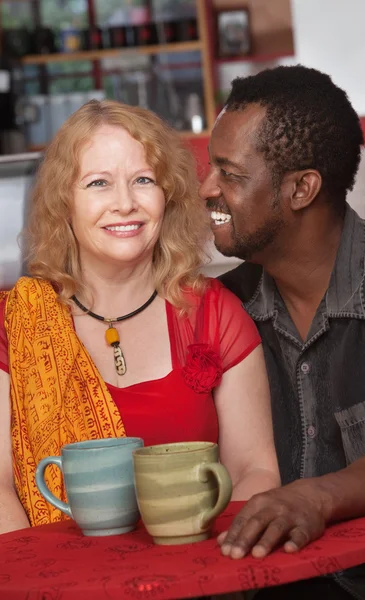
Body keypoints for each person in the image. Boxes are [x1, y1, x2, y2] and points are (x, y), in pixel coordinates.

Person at [0, 100, 280, 534]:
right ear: (63, 202)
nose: (125, 203)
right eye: (98, 183)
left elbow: (254, 472)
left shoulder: (212, 314)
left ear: (167, 196)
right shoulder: (14, 324)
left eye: (143, 180)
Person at [199, 65, 365, 599]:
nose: (207, 189)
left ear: (301, 188)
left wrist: (315, 497)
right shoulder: (223, 306)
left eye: (230, 174)